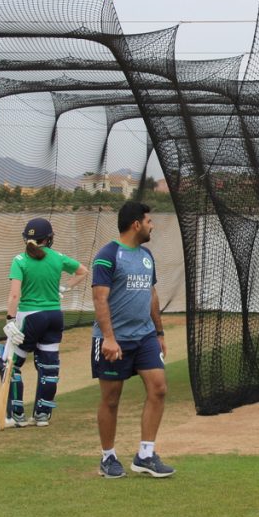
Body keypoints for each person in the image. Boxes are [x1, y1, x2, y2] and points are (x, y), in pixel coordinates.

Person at [91, 202, 174, 478]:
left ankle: (146, 455)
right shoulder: (108, 255)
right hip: (115, 341)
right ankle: (108, 456)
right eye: (149, 221)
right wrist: (109, 338)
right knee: (111, 399)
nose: (152, 225)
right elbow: (99, 298)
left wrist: (159, 333)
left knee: (159, 388)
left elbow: (151, 295)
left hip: (145, 336)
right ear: (136, 224)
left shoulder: (147, 255)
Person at [0, 217, 88, 428]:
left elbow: (14, 295)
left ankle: (16, 415)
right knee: (49, 366)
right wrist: (65, 288)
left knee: (12, 365)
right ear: (50, 238)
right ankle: (42, 415)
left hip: (30, 316)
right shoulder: (58, 257)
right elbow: (83, 271)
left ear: (26, 238)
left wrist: (10, 319)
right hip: (54, 315)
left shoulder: (20, 260)